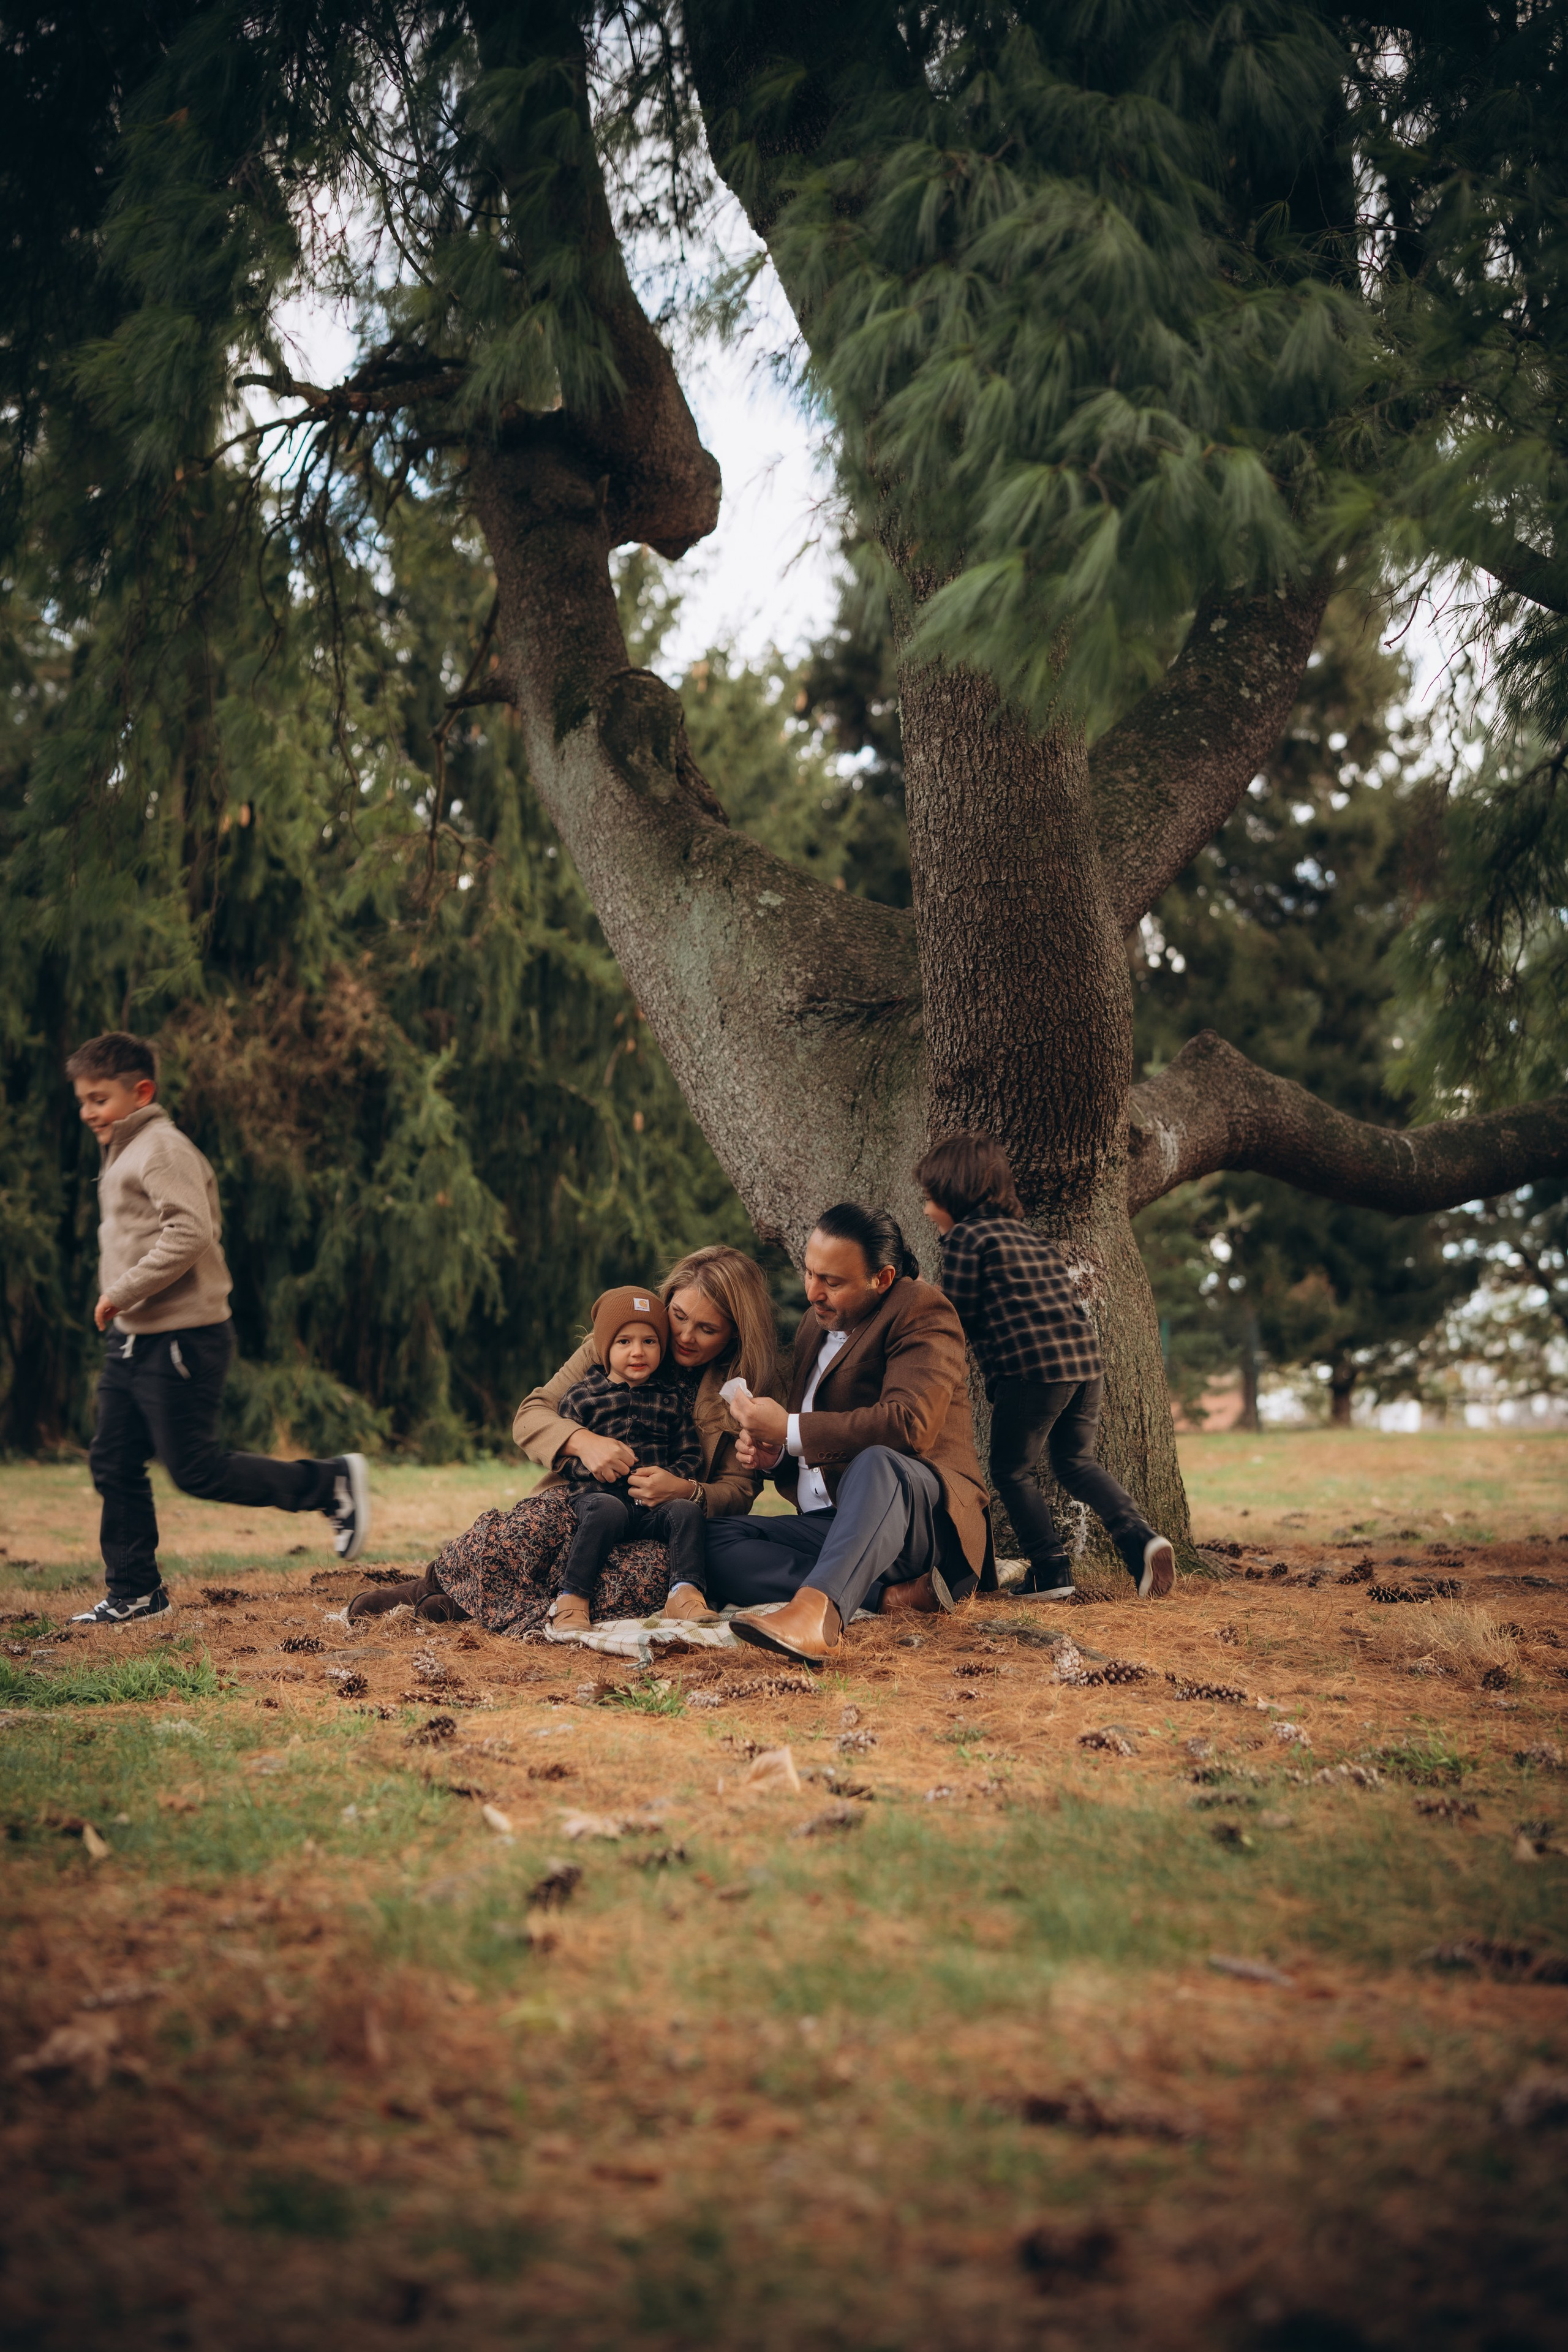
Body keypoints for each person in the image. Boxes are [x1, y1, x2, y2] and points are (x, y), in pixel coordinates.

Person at [66, 1031, 369, 1627]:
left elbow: (190, 1233)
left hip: (181, 1338)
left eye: (98, 1098)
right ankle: (136, 1594)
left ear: (141, 1092)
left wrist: (121, 1291)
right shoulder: (125, 1148)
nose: (87, 1112)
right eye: (82, 1099)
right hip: (133, 1338)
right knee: (112, 1461)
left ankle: (329, 1483)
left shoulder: (161, 1148)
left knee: (196, 1469)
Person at [347, 1245, 782, 1630]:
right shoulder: (623, 1339)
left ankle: (466, 1608)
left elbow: (739, 1490)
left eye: (707, 1329)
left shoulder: (745, 1390)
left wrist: (688, 1491)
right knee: (530, 1534)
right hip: (582, 1495)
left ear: (734, 1335)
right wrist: (582, 1442)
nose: (685, 1336)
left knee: (639, 1579)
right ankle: (430, 1585)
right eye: (679, 1317)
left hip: (660, 1522)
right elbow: (531, 1414)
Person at [710, 1203, 993, 1665]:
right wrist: (777, 1453)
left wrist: (789, 1427)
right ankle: (891, 1599)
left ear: (881, 1279)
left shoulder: (922, 1308)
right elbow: (818, 1435)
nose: (813, 1293)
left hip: (921, 1522)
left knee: (878, 1460)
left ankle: (817, 1617)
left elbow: (909, 1424)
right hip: (838, 1526)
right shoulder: (813, 1326)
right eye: (809, 1274)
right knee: (712, 1541)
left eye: (832, 1282)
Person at [914, 1128, 1175, 1601]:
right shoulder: (1026, 1237)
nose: (927, 1210)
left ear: (955, 1193)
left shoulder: (966, 1239)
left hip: (1031, 1371)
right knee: (1075, 1462)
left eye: (931, 1198)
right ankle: (1141, 1540)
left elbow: (953, 1318)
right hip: (1084, 1364)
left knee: (1012, 1472)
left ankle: (1051, 1571)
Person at [548, 1284, 707, 1637]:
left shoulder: (669, 1400)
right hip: (598, 1500)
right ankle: (572, 1598)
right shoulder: (583, 1397)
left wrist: (671, 1478)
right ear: (606, 1347)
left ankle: (684, 1593)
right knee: (608, 1509)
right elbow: (562, 1460)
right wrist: (592, 1466)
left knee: (686, 1512)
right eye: (624, 1342)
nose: (638, 1352)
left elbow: (690, 1453)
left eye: (649, 1342)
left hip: (652, 1507)